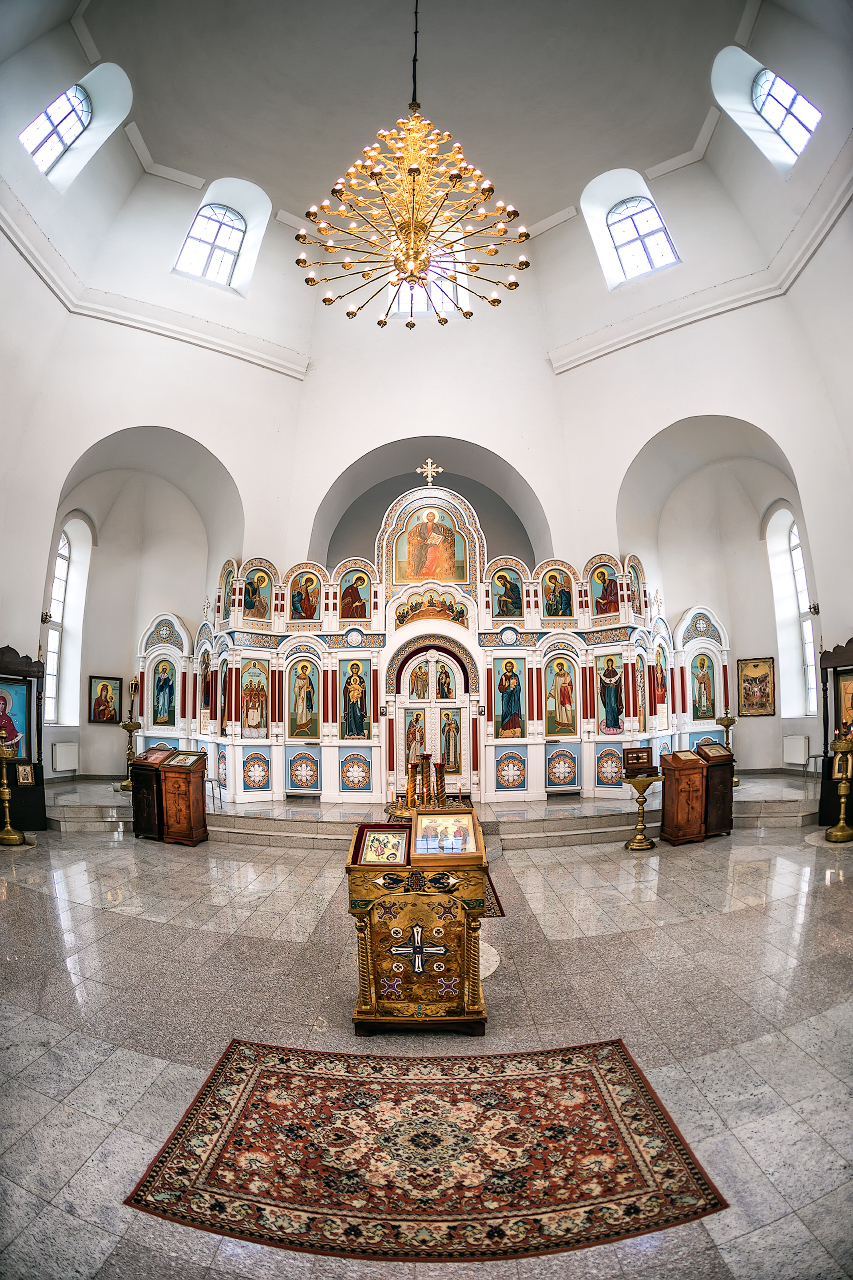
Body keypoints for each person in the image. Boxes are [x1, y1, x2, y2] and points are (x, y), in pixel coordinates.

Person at [343, 662, 368, 738]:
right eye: (353, 668)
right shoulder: (348, 679)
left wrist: (361, 690)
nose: (355, 670)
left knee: (358, 715)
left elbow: (363, 689)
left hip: (359, 701)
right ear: (351, 669)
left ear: (358, 669)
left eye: (356, 668)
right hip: (350, 702)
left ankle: (359, 732)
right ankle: (351, 731)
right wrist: (349, 690)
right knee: (351, 716)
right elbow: (345, 689)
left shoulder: (361, 679)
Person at [498, 660, 523, 737]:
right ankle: (504, 728)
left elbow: (519, 687)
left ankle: (512, 727)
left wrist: (515, 687)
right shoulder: (503, 676)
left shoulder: (515, 676)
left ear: (512, 667)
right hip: (506, 696)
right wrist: (505, 685)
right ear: (505, 667)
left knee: (513, 711)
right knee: (505, 710)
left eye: (510, 666)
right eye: (507, 666)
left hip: (513, 696)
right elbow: (500, 688)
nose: (509, 667)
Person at [547, 660, 574, 731]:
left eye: (559, 666)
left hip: (566, 695)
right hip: (559, 696)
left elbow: (571, 685)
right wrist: (550, 694)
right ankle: (560, 725)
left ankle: (570, 726)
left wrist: (566, 687)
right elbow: (554, 685)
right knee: (559, 710)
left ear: (562, 666)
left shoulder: (567, 675)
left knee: (567, 709)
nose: (558, 668)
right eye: (557, 666)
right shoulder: (556, 676)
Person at [599, 657, 623, 732]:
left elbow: (617, 680)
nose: (609, 664)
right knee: (608, 706)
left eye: (610, 663)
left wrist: (618, 678)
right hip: (607, 692)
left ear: (612, 663)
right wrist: (601, 677)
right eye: (608, 663)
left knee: (614, 706)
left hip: (613, 691)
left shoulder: (615, 671)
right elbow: (603, 681)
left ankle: (616, 724)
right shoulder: (605, 672)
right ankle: (609, 724)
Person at [292, 663, 315, 734]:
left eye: (306, 669)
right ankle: (298, 728)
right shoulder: (298, 678)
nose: (305, 671)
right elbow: (295, 689)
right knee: (300, 712)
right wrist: (301, 687)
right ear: (301, 669)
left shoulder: (308, 678)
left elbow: (312, 688)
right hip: (300, 697)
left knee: (306, 712)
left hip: (307, 698)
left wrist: (310, 690)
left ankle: (305, 727)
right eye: (304, 669)